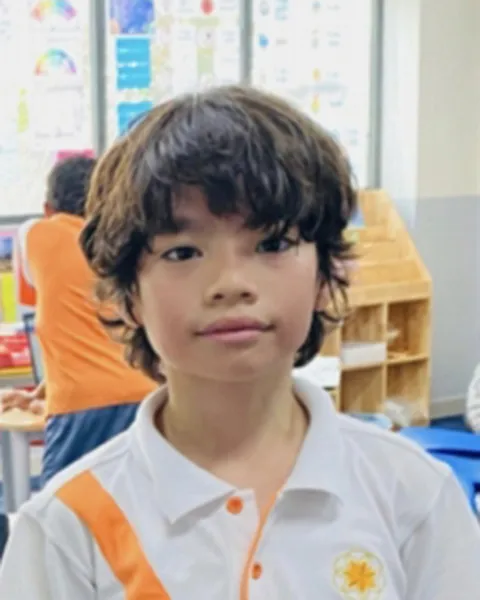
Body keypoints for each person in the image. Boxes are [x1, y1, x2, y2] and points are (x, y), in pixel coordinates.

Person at [1, 86, 479, 598]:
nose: (230, 283)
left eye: (272, 243)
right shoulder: (65, 530)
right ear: (130, 297)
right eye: (183, 252)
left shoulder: (414, 495)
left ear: (325, 275)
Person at [0, 156, 156, 484]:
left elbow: (43, 309)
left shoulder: (34, 233)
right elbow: (92, 334)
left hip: (81, 405)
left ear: (47, 208)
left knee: (61, 506)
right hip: (147, 394)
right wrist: (41, 393)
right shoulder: (125, 243)